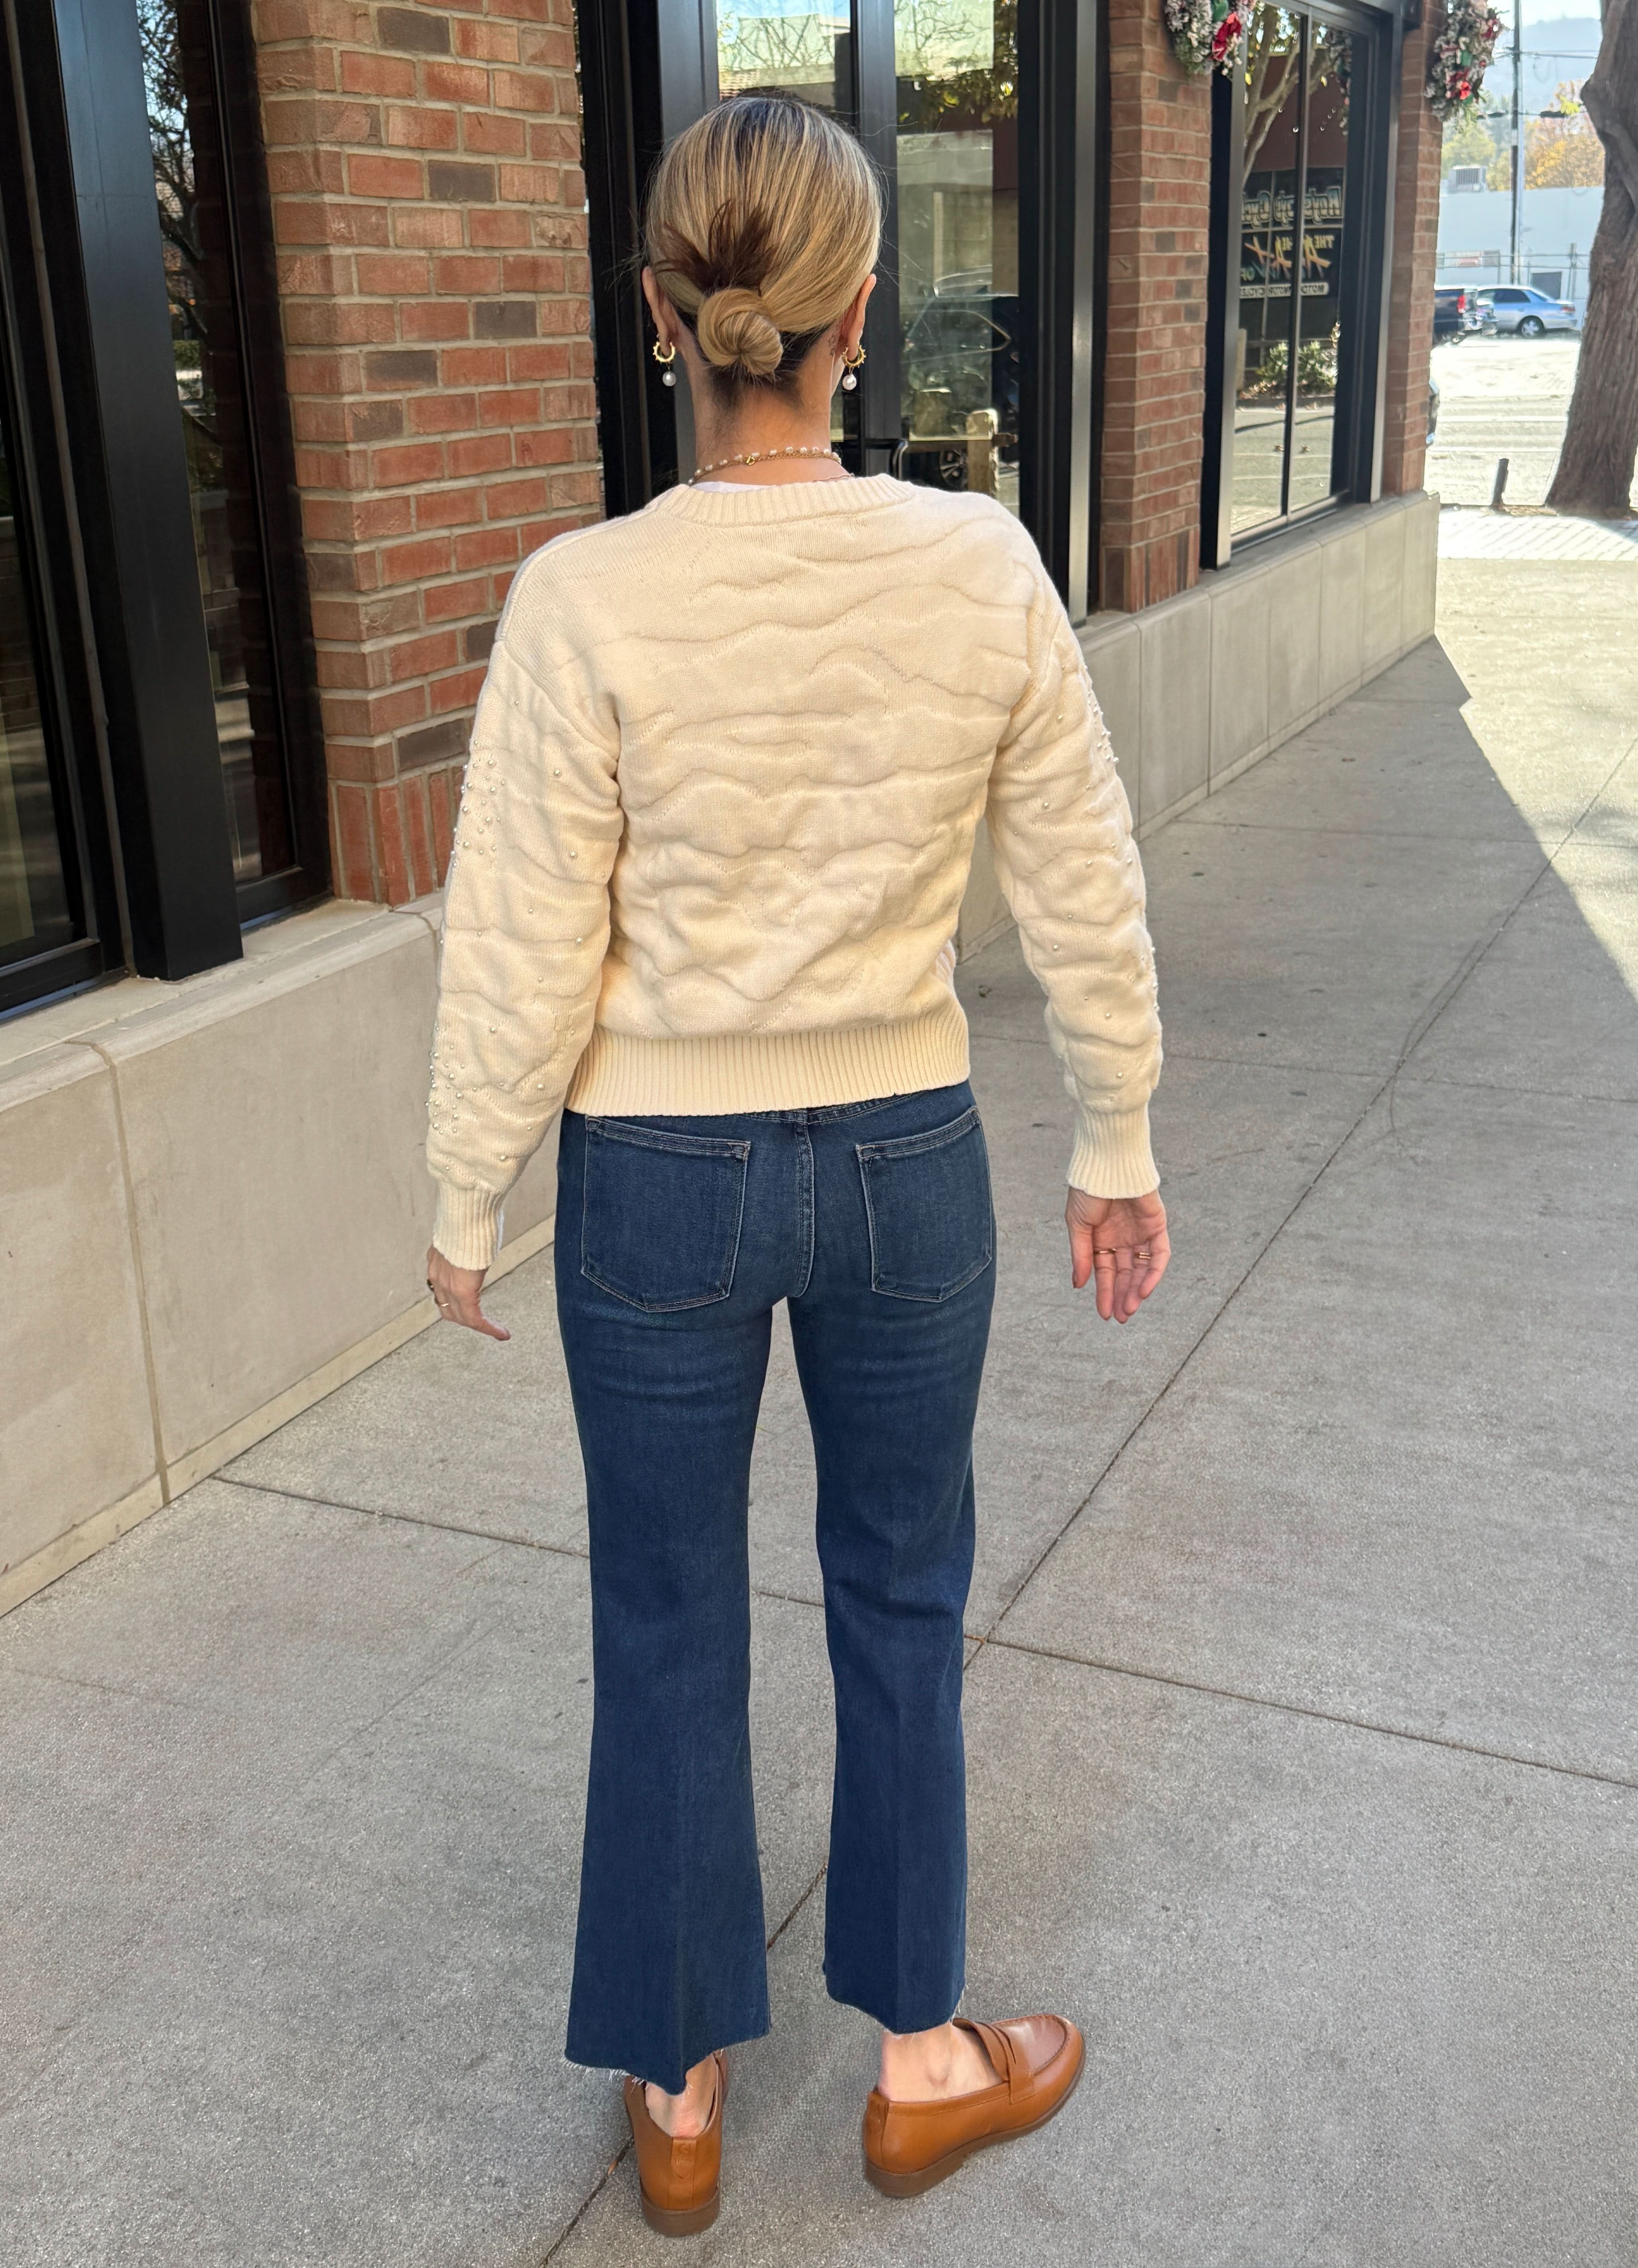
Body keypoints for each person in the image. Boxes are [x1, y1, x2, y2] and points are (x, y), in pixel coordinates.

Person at [423, 92, 1168, 2237]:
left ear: (662, 311)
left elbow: (520, 937)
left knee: (662, 1616)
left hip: (652, 1177)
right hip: (905, 1162)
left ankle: (677, 2083)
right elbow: (1084, 880)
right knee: (904, 1595)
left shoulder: (581, 595)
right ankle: (924, 2063)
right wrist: (1111, 1134)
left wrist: (468, 1187)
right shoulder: (980, 566)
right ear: (861, 317)